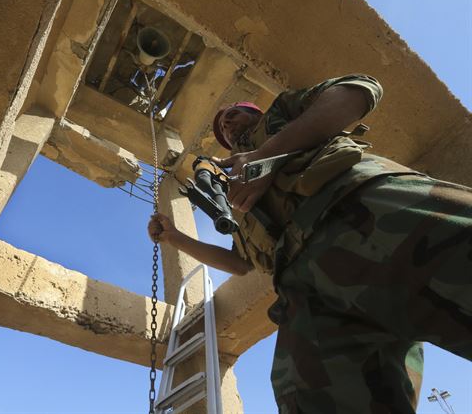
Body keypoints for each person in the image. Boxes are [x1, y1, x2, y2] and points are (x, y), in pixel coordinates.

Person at [148, 75, 472, 413]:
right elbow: (240, 263)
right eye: (222, 128)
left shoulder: (281, 117)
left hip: (368, 209)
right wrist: (174, 238)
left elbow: (359, 91)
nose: (226, 124)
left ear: (255, 113)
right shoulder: (235, 190)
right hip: (308, 293)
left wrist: (266, 155)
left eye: (233, 114)